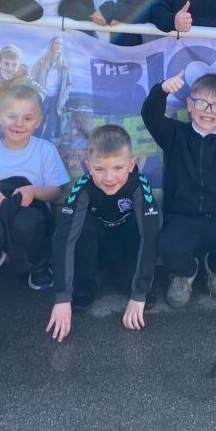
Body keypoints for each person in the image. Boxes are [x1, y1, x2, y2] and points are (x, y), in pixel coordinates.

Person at [141, 69, 216, 308]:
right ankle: (186, 272)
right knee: (166, 245)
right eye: (201, 103)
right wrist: (162, 89)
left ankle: (215, 267)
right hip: (182, 219)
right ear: (189, 104)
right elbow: (150, 115)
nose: (208, 111)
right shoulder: (175, 134)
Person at [47, 124, 161, 341]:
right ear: (88, 166)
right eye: (99, 169)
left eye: (118, 168)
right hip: (95, 250)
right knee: (75, 224)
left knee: (149, 222)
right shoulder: (83, 188)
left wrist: (139, 293)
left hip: (125, 247)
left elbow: (149, 238)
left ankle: (130, 280)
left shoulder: (139, 186)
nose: (109, 178)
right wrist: (62, 298)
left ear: (131, 164)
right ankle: (87, 282)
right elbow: (63, 240)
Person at [0, 85, 69, 291]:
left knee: (29, 223)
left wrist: (34, 191)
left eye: (27, 118)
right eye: (12, 116)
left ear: (38, 121)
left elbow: (55, 192)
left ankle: (39, 265)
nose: (18, 124)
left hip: (30, 211)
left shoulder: (45, 150)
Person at [29, 36, 72, 140]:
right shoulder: (41, 62)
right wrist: (38, 91)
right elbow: (32, 79)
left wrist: (65, 96)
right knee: (37, 127)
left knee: (51, 130)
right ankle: (33, 147)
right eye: (56, 43)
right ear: (51, 45)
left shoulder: (64, 65)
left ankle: (48, 151)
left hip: (57, 100)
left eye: (61, 44)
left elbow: (69, 83)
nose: (59, 46)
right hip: (43, 98)